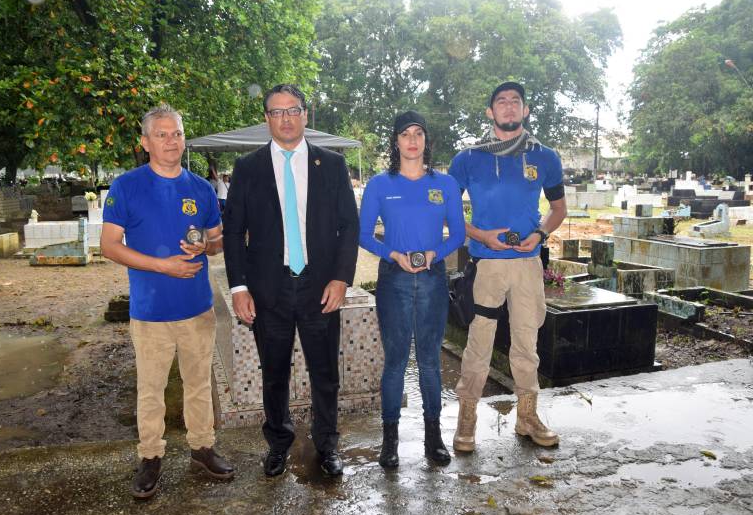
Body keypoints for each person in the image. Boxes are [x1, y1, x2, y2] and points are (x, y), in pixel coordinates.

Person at [222, 84, 359, 477]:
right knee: (275, 373)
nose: (285, 118)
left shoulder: (331, 165)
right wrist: (239, 287)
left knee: (325, 373)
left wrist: (341, 279)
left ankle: (327, 444)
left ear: (305, 114)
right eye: (276, 112)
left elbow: (349, 226)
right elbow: (234, 232)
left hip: (320, 289)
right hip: (269, 291)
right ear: (266, 119)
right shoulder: (248, 168)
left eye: (292, 110)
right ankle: (279, 443)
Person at [101, 104, 234, 499]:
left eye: (176, 133)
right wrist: (162, 265)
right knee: (151, 389)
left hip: (197, 307)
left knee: (197, 383)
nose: (171, 141)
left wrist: (205, 244)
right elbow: (109, 246)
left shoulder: (201, 188)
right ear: (145, 142)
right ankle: (151, 457)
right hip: (150, 311)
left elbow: (219, 240)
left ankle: (202, 448)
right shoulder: (126, 186)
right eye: (161, 134)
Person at [448, 81, 567, 451]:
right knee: (478, 345)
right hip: (487, 266)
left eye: (516, 101)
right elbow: (447, 212)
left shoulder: (545, 157)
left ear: (526, 110)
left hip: (528, 265)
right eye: (501, 102)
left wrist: (541, 234)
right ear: (490, 112)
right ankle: (467, 421)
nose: (509, 107)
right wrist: (481, 236)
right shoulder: (468, 158)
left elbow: (559, 209)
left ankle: (527, 417)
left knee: (527, 344)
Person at [359, 111, 465, 468]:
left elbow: (460, 235)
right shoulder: (380, 184)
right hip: (394, 279)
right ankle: (389, 439)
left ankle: (433, 436)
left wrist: (437, 253)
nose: (413, 140)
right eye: (405, 133)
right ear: (396, 141)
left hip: (434, 279)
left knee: (431, 362)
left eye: (419, 133)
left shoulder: (445, 184)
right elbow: (363, 235)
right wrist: (392, 254)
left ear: (426, 141)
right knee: (396, 362)